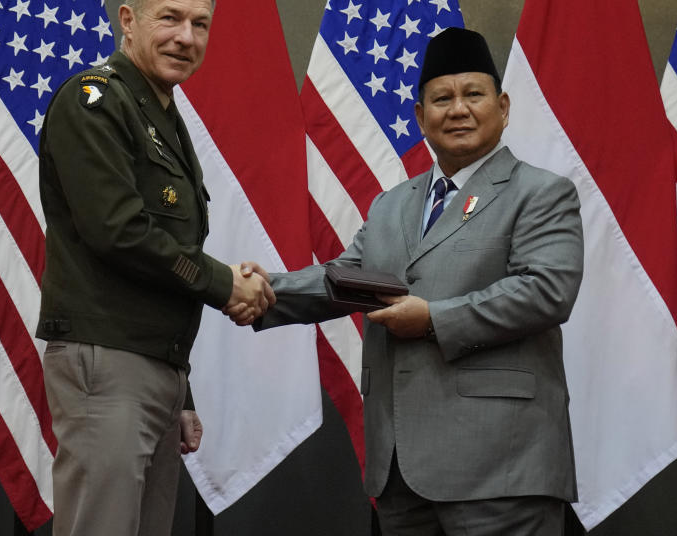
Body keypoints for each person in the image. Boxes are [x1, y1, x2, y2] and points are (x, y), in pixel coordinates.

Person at [231, 27, 584, 535]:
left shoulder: (541, 193)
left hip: (500, 469)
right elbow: (348, 279)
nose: (457, 109)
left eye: (473, 95)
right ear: (421, 117)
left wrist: (433, 320)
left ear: (503, 107)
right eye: (441, 98)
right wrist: (260, 290)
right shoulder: (392, 204)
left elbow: (545, 291)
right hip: (400, 474)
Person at [36, 0, 274, 536]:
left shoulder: (163, 114)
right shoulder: (96, 100)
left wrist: (181, 388)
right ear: (128, 19)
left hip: (153, 367)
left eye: (200, 24)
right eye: (169, 17)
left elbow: (165, 256)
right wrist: (225, 285)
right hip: (107, 362)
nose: (186, 37)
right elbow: (119, 232)